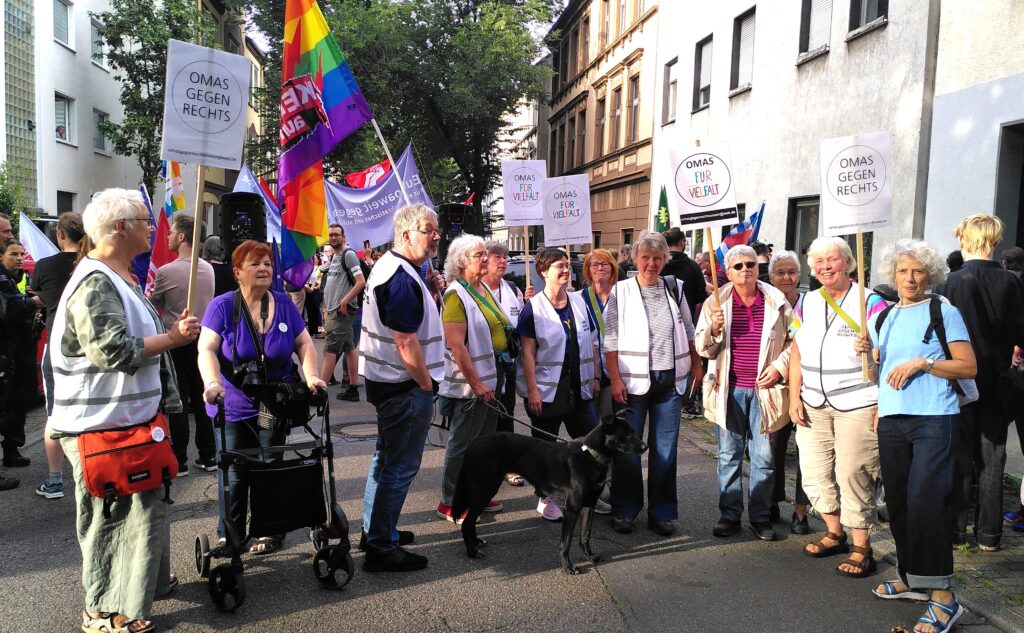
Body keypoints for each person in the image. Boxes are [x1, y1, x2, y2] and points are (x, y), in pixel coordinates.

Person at [49, 188, 200, 633]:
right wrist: (172, 339)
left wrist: (170, 332)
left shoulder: (117, 276)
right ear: (119, 228)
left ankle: (142, 587)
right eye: (143, 219)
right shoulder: (96, 281)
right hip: (101, 428)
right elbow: (112, 350)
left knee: (143, 509)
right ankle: (102, 610)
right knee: (110, 520)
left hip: (125, 422)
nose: (152, 227)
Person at [854, 239, 975, 633]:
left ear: (929, 275)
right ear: (893, 275)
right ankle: (913, 579)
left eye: (918, 270)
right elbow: (876, 378)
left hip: (934, 419)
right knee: (901, 504)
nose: (910, 277)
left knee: (926, 502)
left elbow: (967, 367)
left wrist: (924, 363)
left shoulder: (943, 309)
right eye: (903, 271)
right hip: (892, 419)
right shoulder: (883, 318)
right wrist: (867, 357)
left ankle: (944, 597)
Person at [197, 240, 326, 555]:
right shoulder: (222, 306)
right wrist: (212, 382)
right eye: (255, 263)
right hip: (231, 404)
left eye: (267, 263)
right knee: (235, 473)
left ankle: (270, 530)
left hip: (275, 403)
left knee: (270, 467)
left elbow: (305, 344)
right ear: (238, 272)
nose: (264, 268)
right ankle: (230, 535)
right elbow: (206, 349)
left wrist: (310, 376)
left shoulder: (282, 304)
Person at [789, 236, 888, 577]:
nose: (824, 267)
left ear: (848, 262)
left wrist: (872, 350)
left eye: (831, 260)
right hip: (813, 401)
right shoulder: (807, 301)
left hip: (858, 402)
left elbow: (888, 354)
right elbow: (797, 350)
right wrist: (793, 397)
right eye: (818, 262)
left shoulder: (871, 302)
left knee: (854, 473)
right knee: (815, 473)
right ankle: (835, 532)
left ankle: (862, 547)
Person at [358, 203, 444, 572]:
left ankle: (375, 530)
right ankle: (381, 546)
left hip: (389, 384)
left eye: (436, 229)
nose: (436, 235)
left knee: (385, 460)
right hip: (403, 387)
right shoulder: (401, 277)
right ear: (405, 234)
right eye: (428, 229)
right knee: (399, 466)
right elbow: (405, 342)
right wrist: (425, 385)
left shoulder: (401, 269)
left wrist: (432, 292)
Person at [605, 232, 701, 536]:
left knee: (665, 451)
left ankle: (661, 513)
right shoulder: (621, 291)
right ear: (635, 258)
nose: (651, 263)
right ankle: (626, 509)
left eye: (658, 258)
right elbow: (609, 338)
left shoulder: (675, 287)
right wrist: (615, 378)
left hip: (669, 382)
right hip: (632, 383)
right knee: (628, 449)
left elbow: (689, 328)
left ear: (665, 260)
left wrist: (697, 364)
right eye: (646, 257)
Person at [696, 245, 793, 542]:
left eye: (751, 264)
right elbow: (703, 348)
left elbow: (794, 341)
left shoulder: (777, 301)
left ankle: (761, 517)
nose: (746, 269)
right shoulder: (715, 302)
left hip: (765, 390)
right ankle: (730, 515)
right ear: (728, 272)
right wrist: (713, 328)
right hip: (729, 389)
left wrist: (779, 367)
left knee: (764, 458)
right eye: (738, 266)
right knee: (728, 455)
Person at [942, 214, 1024, 551]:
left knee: (960, 456)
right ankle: (990, 534)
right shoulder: (1011, 282)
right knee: (993, 459)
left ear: (965, 238)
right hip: (999, 382)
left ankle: (957, 529)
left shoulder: (954, 281)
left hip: (961, 381)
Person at [517, 247, 601, 521]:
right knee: (546, 449)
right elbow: (527, 352)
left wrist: (596, 376)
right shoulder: (534, 308)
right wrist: (532, 391)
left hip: (580, 387)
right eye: (559, 266)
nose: (566, 270)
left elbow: (591, 341)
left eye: (567, 265)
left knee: (589, 445)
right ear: (543, 272)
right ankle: (545, 497)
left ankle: (585, 493)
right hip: (549, 390)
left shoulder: (578, 302)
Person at [436, 234, 508, 522]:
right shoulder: (456, 294)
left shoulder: (480, 288)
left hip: (489, 380)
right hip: (468, 387)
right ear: (464, 261)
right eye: (480, 254)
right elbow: (456, 345)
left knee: (484, 444)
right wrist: (476, 384)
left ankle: (477, 491)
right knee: (463, 443)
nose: (486, 257)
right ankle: (449, 500)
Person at [149, 213, 216, 476]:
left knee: (178, 402)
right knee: (202, 399)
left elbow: (157, 304)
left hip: (176, 342)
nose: (166, 237)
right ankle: (208, 454)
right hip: (203, 341)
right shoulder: (208, 268)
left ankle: (180, 459)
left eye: (171, 232)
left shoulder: (166, 271)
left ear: (181, 236)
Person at [32, 212, 86, 499]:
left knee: (55, 412)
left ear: (60, 235)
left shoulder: (44, 266)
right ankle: (90, 475)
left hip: (57, 344)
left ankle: (55, 481)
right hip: (90, 345)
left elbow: (38, 294)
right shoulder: (93, 264)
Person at [765, 249, 811, 534]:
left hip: (808, 388)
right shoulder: (768, 304)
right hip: (776, 388)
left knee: (806, 452)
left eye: (791, 272)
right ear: (771, 276)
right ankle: (771, 501)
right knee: (772, 450)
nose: (786, 277)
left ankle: (801, 510)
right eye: (780, 272)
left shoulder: (812, 304)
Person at [482, 241, 530, 488]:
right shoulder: (475, 289)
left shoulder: (512, 288)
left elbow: (521, 324)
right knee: (483, 418)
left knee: (506, 413)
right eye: (497, 257)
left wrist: (529, 305)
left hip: (507, 365)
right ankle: (485, 463)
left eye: (506, 257)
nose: (503, 261)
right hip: (483, 366)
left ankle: (508, 465)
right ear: (484, 260)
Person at [0, 238, 42, 471]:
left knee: (20, 401)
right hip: (8, 349)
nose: (19, 259)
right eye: (13, 254)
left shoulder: (26, 276)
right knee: (7, 402)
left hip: (26, 347)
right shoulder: (2, 279)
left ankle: (12, 449)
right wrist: (34, 302)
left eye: (21, 254)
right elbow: (11, 310)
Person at [320, 224, 365, 402]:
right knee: (349, 348)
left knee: (330, 350)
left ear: (343, 236)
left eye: (336, 235)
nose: (333, 238)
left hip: (341, 311)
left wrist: (345, 301)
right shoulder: (334, 257)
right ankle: (352, 388)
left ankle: (319, 392)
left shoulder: (349, 255)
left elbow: (360, 282)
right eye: (330, 235)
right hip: (333, 310)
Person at [661, 228, 708, 318]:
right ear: (682, 243)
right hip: (686, 317)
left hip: (663, 317)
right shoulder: (693, 266)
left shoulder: (659, 264)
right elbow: (701, 296)